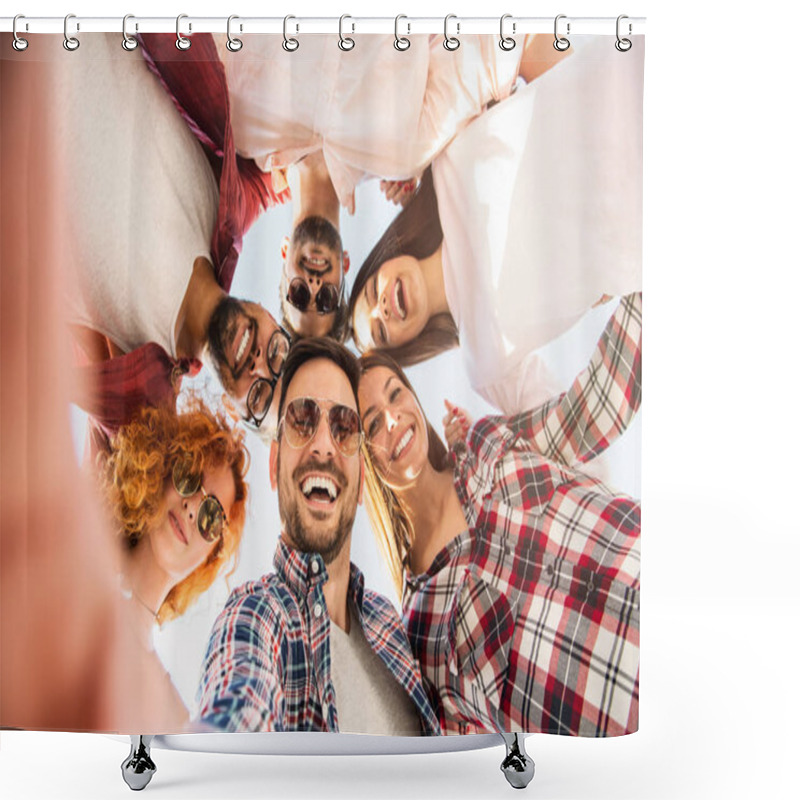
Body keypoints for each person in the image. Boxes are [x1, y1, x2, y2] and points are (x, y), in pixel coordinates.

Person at [357, 293, 642, 736]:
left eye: (396, 394)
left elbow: (588, 413)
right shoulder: (421, 633)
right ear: (362, 468)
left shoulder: (488, 442)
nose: (393, 418)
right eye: (372, 423)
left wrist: (637, 280)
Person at [350, 36, 644, 414]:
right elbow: (562, 430)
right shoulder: (485, 365)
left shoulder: (442, 160)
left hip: (628, 87)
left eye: (374, 292)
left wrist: (575, 95)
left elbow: (521, 43)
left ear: (385, 259)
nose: (382, 310)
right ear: (404, 347)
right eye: (380, 332)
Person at [213, 33, 566, 342]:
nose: (314, 285)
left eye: (298, 294)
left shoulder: (243, 126)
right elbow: (504, 47)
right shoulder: (402, 153)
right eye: (325, 301)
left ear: (283, 254)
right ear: (346, 265)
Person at [197, 338, 439, 735]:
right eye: (302, 421)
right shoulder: (256, 617)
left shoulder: (391, 624)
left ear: (362, 482)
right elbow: (236, 715)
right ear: (274, 465)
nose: (324, 445)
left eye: (344, 427)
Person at [56, 33, 290, 434]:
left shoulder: (139, 371)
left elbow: (124, 475)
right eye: (279, 356)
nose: (259, 365)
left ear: (234, 411)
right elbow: (294, 167)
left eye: (261, 395)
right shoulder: (226, 207)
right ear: (276, 317)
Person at [102, 399, 249, 652]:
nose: (192, 509)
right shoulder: (73, 551)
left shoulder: (151, 684)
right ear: (163, 467)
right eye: (188, 474)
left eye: (210, 516)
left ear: (209, 558)